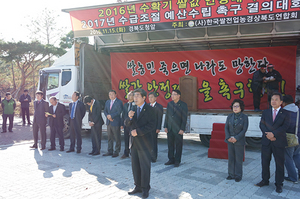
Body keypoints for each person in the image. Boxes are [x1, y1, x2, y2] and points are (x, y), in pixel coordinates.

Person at [255, 92, 290, 193]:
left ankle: (279, 184)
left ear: (281, 102)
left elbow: (285, 126)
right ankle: (265, 180)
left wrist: (273, 134)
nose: (273, 101)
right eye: (272, 99)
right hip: (266, 141)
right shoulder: (265, 112)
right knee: (265, 162)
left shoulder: (286, 113)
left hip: (278, 142)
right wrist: (268, 135)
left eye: (276, 99)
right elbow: (262, 125)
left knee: (279, 164)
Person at [125, 88, 155, 199]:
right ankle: (137, 186)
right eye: (134, 95)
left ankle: (145, 188)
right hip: (134, 143)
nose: (135, 98)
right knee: (135, 166)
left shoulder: (150, 109)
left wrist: (138, 132)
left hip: (145, 143)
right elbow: (127, 123)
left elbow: (152, 125)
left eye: (137, 95)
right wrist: (130, 117)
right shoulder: (132, 108)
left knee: (145, 167)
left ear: (143, 97)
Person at [225, 99, 249, 182]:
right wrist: (228, 137)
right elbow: (226, 128)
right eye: (234, 106)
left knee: (238, 159)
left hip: (239, 141)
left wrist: (236, 138)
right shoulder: (230, 116)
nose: (235, 108)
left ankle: (238, 175)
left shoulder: (244, 117)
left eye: (237, 106)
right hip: (230, 140)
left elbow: (244, 130)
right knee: (231, 158)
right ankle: (231, 174)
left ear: (241, 107)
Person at [164, 90, 188, 167]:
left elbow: (184, 118)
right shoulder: (169, 104)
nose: (172, 96)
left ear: (179, 96)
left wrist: (182, 129)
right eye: (172, 94)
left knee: (178, 145)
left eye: (174, 94)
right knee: (170, 145)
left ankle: (177, 161)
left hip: (178, 129)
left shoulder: (183, 105)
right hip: (170, 128)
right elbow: (167, 116)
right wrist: (165, 126)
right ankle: (171, 159)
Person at [282, 95, 300, 184]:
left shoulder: (284, 112)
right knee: (296, 155)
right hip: (298, 137)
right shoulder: (298, 110)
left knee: (287, 158)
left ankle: (293, 177)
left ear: (284, 103)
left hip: (289, 138)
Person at [103, 90, 123, 157]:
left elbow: (119, 111)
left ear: (115, 94)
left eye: (112, 94)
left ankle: (116, 151)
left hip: (115, 121)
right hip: (109, 122)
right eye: (110, 94)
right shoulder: (107, 102)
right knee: (109, 137)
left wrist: (112, 116)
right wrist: (108, 116)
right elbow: (105, 110)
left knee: (117, 137)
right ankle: (110, 151)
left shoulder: (119, 102)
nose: (111, 95)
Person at [148, 92, 163, 163]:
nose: (150, 99)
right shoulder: (147, 106)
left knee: (153, 142)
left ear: (155, 98)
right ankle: (148, 155)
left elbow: (159, 118)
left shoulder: (159, 106)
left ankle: (154, 157)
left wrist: (158, 128)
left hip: (154, 128)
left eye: (152, 97)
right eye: (149, 97)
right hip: (147, 128)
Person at [121, 91, 134, 159]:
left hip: (133, 125)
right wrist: (122, 124)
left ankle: (133, 153)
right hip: (126, 125)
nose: (129, 96)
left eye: (131, 95)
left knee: (133, 140)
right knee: (126, 139)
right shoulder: (126, 105)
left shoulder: (135, 105)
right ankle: (126, 153)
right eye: (128, 95)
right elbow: (123, 115)